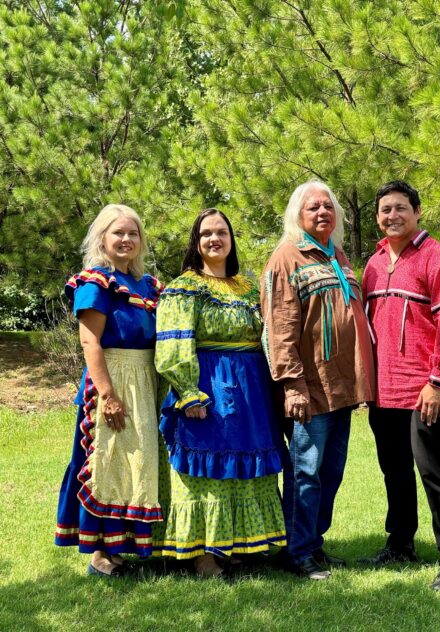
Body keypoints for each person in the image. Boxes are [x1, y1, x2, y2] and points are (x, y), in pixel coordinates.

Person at [153, 208, 286, 577]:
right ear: (196, 242)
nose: (215, 239)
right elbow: (174, 341)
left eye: (222, 232)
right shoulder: (185, 287)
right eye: (206, 233)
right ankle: (203, 555)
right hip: (208, 384)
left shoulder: (246, 286)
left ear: (231, 239)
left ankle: (237, 546)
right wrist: (188, 391)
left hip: (250, 390)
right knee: (206, 469)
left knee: (246, 466)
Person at [261, 181, 375, 580]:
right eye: (313, 207)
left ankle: (314, 541)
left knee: (331, 471)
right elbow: (281, 326)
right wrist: (292, 384)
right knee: (304, 471)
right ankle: (298, 551)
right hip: (309, 388)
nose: (323, 212)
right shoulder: (286, 258)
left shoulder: (337, 256)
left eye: (328, 206)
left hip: (341, 387)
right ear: (298, 215)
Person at [361, 180, 440, 590]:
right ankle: (400, 542)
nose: (393, 216)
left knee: (436, 475)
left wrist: (437, 380)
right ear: (377, 216)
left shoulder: (438, 259)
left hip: (424, 391)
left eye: (401, 208)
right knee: (395, 472)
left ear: (418, 211)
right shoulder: (372, 265)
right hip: (381, 391)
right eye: (385, 209)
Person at [55, 204, 164, 576]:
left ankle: (122, 546)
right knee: (104, 461)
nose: (126, 240)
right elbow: (90, 342)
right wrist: (108, 394)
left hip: (143, 380)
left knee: (134, 462)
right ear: (102, 237)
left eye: (133, 233)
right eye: (118, 233)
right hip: (112, 378)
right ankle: (99, 553)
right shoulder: (96, 281)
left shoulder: (147, 284)